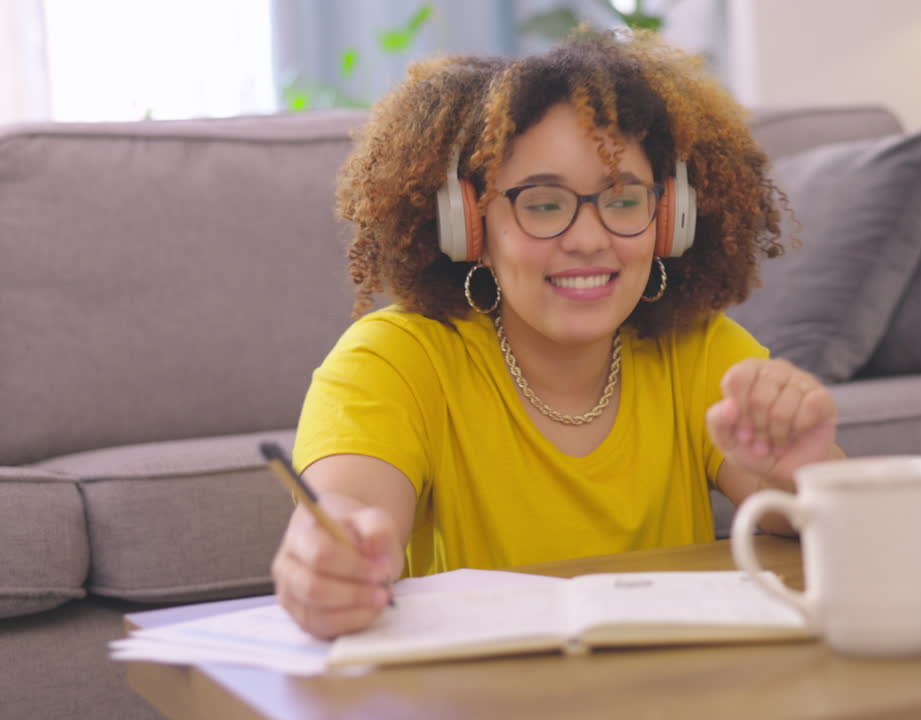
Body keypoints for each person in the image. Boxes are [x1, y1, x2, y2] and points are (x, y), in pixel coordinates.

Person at [272, 29, 840, 639]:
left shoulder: (702, 350)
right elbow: (346, 506)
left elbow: (826, 520)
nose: (589, 238)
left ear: (669, 219)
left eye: (623, 199)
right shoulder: (392, 361)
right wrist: (329, 555)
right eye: (543, 204)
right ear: (468, 226)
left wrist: (799, 468)